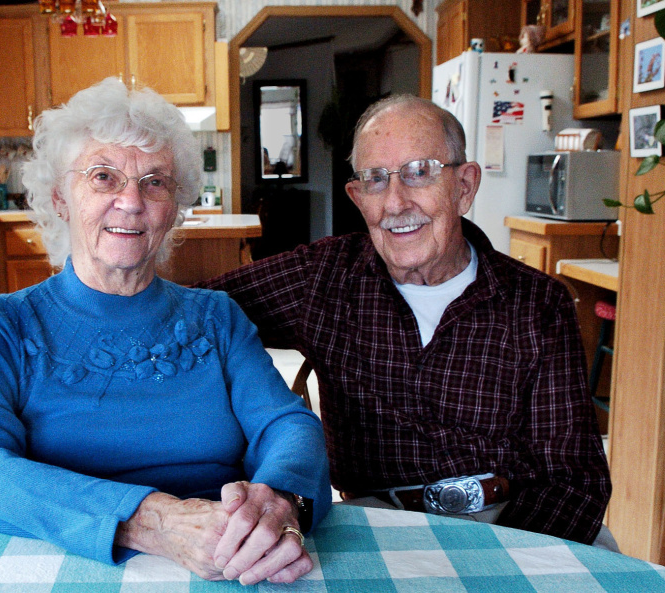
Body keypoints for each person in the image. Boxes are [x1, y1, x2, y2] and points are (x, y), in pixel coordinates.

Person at [0, 77, 331, 586]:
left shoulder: (216, 317)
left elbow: (286, 425)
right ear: (61, 198)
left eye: (154, 181)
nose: (131, 201)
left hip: (219, 564)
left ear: (175, 207)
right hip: (64, 569)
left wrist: (276, 500)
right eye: (103, 177)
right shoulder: (1, 326)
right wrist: (154, 521)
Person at [200, 95, 612, 547]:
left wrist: (500, 566)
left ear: (465, 186)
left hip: (514, 518)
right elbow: (198, 314)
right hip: (373, 522)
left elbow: (574, 478)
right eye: (375, 180)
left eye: (420, 172)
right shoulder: (322, 278)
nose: (396, 203)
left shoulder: (536, 302)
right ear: (358, 198)